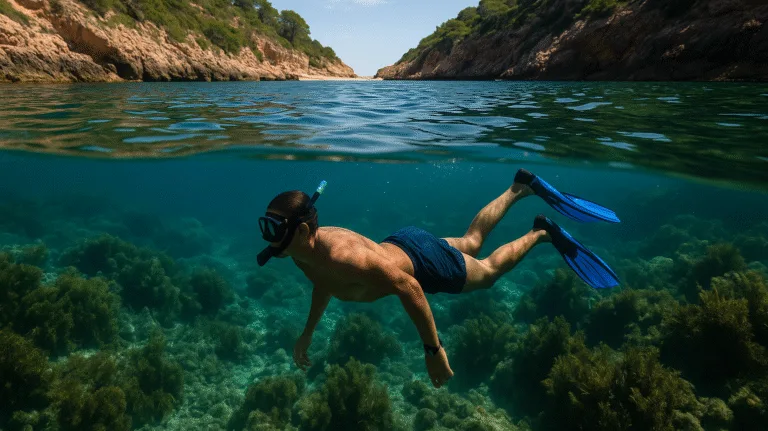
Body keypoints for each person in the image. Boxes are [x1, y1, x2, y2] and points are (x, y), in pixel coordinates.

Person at [256, 169, 620, 389]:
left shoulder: (345, 257)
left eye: (274, 228)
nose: (268, 238)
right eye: (265, 226)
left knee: (489, 273)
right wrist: (308, 333)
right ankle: (518, 187)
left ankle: (542, 232)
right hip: (403, 241)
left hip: (420, 263)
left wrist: (433, 350)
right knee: (471, 242)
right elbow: (325, 284)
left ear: (304, 230)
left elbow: (408, 286)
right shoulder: (299, 255)